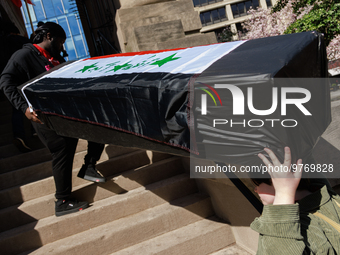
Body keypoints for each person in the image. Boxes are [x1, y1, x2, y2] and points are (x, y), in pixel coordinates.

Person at [0, 22, 106, 216]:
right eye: (60, 42)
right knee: (62, 150)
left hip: (64, 111)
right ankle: (62, 201)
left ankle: (89, 166)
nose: (62, 47)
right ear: (48, 36)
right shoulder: (24, 55)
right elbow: (6, 81)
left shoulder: (54, 57)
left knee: (98, 125)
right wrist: (23, 108)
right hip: (43, 117)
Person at [251, 147, 340, 255]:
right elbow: (308, 161)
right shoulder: (326, 195)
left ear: (275, 180)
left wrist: (284, 192)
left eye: (257, 184)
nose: (255, 190)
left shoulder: (302, 227)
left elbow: (278, 249)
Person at [0, 20, 32, 152]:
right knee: (30, 102)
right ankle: (34, 129)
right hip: (24, 77)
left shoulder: (1, 44)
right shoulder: (22, 41)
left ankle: (19, 135)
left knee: (16, 107)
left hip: (7, 80)